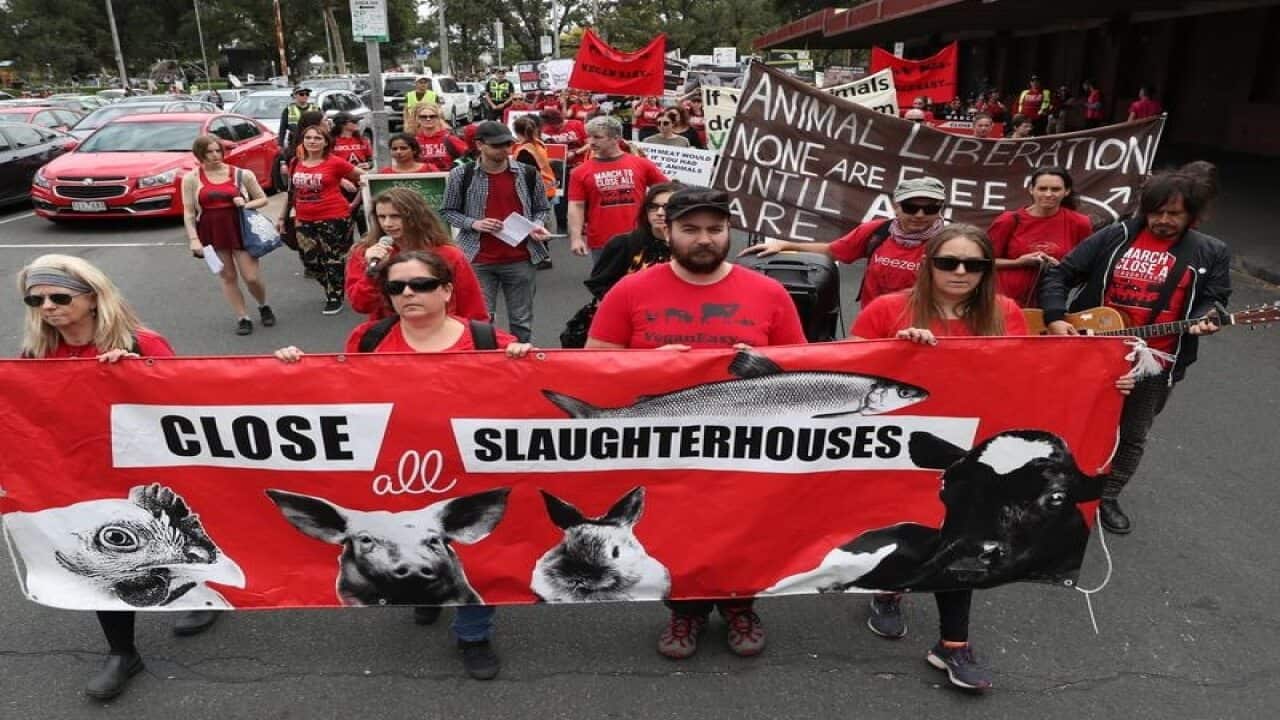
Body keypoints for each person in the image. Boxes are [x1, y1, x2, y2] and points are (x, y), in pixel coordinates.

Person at [274, 250, 529, 681]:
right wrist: (295, 369)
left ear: (447, 290)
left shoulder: (489, 340)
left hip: (467, 469)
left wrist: (532, 363)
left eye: (422, 284)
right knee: (403, 543)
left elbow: (532, 398)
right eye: (397, 287)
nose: (409, 293)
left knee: (478, 552)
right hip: (393, 470)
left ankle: (473, 634)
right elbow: (339, 395)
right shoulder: (368, 339)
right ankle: (427, 598)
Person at [586, 187, 806, 660]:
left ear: (729, 231)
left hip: (746, 443)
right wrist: (650, 365)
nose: (704, 239)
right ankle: (685, 608)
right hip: (663, 444)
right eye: (691, 229)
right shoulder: (630, 289)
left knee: (743, 527)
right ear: (667, 231)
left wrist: (764, 364)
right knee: (676, 527)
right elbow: (593, 361)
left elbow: (797, 367)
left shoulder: (769, 292)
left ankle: (740, 605)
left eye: (714, 229)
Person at [16, 254, 219, 699]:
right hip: (80, 470)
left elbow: (190, 404)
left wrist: (139, 376)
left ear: (92, 298)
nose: (47, 306)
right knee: (100, 554)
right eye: (37, 299)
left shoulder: (142, 342)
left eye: (60, 296)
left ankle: (200, 590)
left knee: (172, 532)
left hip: (146, 466)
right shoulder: (37, 354)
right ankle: (122, 652)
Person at [850, 225, 1025, 692]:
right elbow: (850, 375)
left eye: (974, 263)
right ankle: (890, 588)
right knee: (905, 523)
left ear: (988, 270)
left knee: (961, 535)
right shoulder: (888, 310)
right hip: (901, 443)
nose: (961, 271)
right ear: (928, 264)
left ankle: (952, 645)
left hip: (970, 442)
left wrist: (1107, 380)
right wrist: (895, 354)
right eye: (949, 261)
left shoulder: (1004, 312)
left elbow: (1031, 376)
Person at [1040, 170, 1230, 534]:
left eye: (1173, 214)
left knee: (1132, 433)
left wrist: (1207, 317)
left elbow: (1215, 299)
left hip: (1156, 362)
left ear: (1192, 214)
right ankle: (1057, 487)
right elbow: (1061, 274)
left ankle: (1106, 496)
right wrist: (1054, 318)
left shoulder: (1211, 251)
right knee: (1073, 423)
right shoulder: (1116, 236)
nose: (1162, 221)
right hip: (1091, 352)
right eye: (1155, 212)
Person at [740, 177, 950, 307]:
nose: (920, 215)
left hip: (924, 328)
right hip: (874, 326)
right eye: (911, 207)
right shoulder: (877, 231)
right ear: (896, 206)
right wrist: (785, 245)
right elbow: (833, 251)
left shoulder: (951, 242)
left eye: (930, 209)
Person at [439, 121, 551, 342]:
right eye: (498, 145)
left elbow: (542, 208)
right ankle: (487, 363)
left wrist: (537, 224)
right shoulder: (461, 175)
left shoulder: (527, 173)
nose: (505, 150)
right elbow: (447, 212)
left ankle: (521, 363)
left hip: (521, 257)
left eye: (508, 144)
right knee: (481, 320)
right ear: (480, 145)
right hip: (478, 258)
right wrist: (474, 223)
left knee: (521, 320)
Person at [346, 187, 487, 322]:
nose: (387, 223)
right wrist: (372, 273)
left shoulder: (448, 255)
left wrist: (478, 340)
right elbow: (361, 305)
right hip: (391, 337)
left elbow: (473, 307)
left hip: (442, 335)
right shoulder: (366, 253)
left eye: (395, 216)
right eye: (381, 217)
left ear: (416, 217)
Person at [182, 135, 274, 335]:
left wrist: (245, 203)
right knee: (227, 276)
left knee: (251, 277)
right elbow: (189, 212)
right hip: (210, 231)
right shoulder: (191, 179)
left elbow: (262, 199)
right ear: (199, 155)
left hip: (240, 228)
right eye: (209, 152)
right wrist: (194, 240)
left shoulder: (242, 174)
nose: (215, 155)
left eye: (218, 151)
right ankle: (243, 317)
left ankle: (263, 305)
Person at [280, 124, 365, 314]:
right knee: (309, 259)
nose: (312, 142)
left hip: (334, 216)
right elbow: (291, 192)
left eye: (317, 138)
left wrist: (355, 203)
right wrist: (282, 217)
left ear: (326, 142)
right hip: (303, 217)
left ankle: (334, 296)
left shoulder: (335, 162)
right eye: (308, 138)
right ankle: (331, 284)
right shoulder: (296, 162)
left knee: (333, 258)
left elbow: (365, 179)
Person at [567, 116, 669, 265]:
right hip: (602, 241)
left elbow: (667, 191)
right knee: (607, 287)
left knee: (640, 285)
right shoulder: (579, 172)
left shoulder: (641, 164)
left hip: (640, 238)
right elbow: (576, 206)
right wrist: (576, 238)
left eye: (597, 137)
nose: (591, 142)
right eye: (590, 137)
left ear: (615, 138)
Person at [987, 167, 1093, 307]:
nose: (1048, 194)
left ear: (1066, 191)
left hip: (1055, 304)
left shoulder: (1080, 223)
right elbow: (983, 262)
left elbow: (1087, 269)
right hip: (1007, 303)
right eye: (1042, 188)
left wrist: (1061, 268)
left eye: (1055, 189)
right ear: (1031, 189)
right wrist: (1019, 262)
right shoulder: (1008, 220)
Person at [584, 181, 681, 299]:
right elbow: (600, 285)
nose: (659, 213)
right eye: (653, 207)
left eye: (667, 207)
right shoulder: (623, 244)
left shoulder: (691, 248)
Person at [277, 87, 318, 178]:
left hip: (313, 141)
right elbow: (282, 128)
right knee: (294, 164)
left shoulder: (315, 108)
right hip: (295, 142)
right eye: (302, 94)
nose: (305, 96)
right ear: (295, 95)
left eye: (307, 94)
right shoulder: (288, 110)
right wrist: (280, 143)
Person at [413, 103, 468, 171]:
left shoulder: (449, 139)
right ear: (417, 119)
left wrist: (457, 166)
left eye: (432, 116)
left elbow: (469, 158)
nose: (428, 119)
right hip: (422, 179)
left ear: (439, 118)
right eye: (423, 117)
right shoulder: (414, 142)